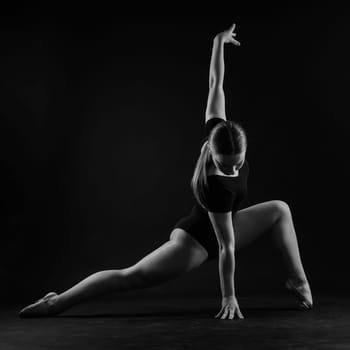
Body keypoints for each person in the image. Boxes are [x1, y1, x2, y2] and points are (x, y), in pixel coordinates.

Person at [18, 22, 313, 320]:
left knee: (280, 210)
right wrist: (229, 296)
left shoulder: (219, 131)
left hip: (228, 226)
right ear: (213, 153)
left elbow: (215, 83)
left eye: (239, 161)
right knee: (129, 277)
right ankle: (58, 302)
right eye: (226, 164)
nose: (234, 167)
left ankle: (298, 281)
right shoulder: (216, 186)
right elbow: (226, 247)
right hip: (195, 243)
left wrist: (218, 42)